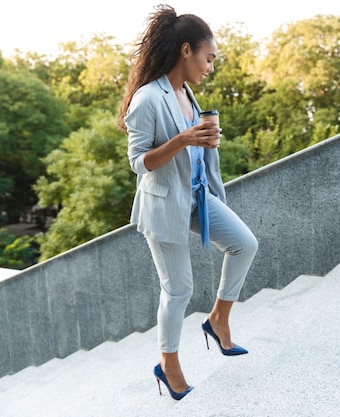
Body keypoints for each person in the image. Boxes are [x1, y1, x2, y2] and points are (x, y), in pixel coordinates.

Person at [117, 4, 258, 400]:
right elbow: (137, 163)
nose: (210, 66)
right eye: (208, 57)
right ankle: (168, 364)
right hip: (163, 204)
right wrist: (183, 141)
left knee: (245, 244)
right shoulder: (148, 98)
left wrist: (207, 142)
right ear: (185, 51)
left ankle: (218, 320)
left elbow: (194, 146)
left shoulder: (185, 92)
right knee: (178, 289)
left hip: (196, 196)